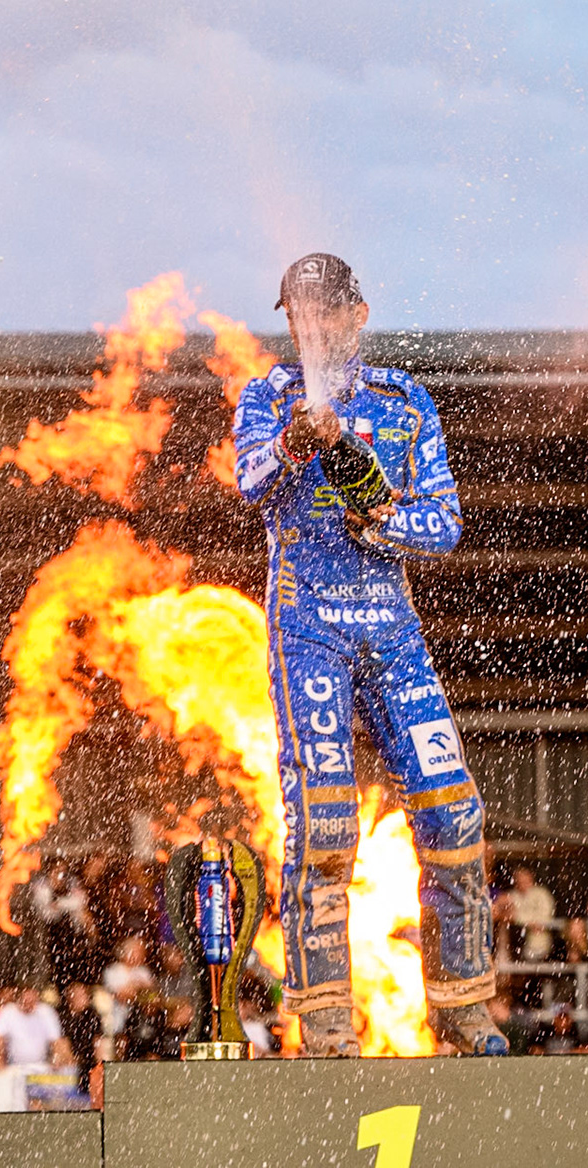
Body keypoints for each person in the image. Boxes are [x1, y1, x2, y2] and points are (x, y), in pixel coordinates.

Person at [231, 253, 502, 1057]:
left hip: (391, 626)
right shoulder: (268, 395)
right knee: (324, 824)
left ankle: (462, 1005)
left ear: (358, 314)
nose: (311, 326)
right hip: (305, 623)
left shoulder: (407, 400)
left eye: (326, 311)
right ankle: (321, 1018)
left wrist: (380, 515)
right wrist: (294, 442)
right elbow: (250, 484)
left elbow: (445, 523)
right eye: (298, 314)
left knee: (453, 811)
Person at [0, 984, 63, 1068]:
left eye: (32, 1002)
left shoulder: (46, 1012)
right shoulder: (8, 1012)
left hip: (41, 1066)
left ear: (37, 1000)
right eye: (26, 1002)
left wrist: (56, 1058)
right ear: (19, 1000)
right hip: (14, 1067)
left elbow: (56, 1041)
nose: (29, 1005)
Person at [504, 867, 557, 963]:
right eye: (519, 880)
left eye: (524, 879)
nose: (522, 883)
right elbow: (507, 914)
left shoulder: (542, 894)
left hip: (540, 943)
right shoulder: (512, 895)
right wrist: (528, 921)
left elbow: (544, 918)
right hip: (516, 943)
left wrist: (520, 918)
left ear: (531, 878)